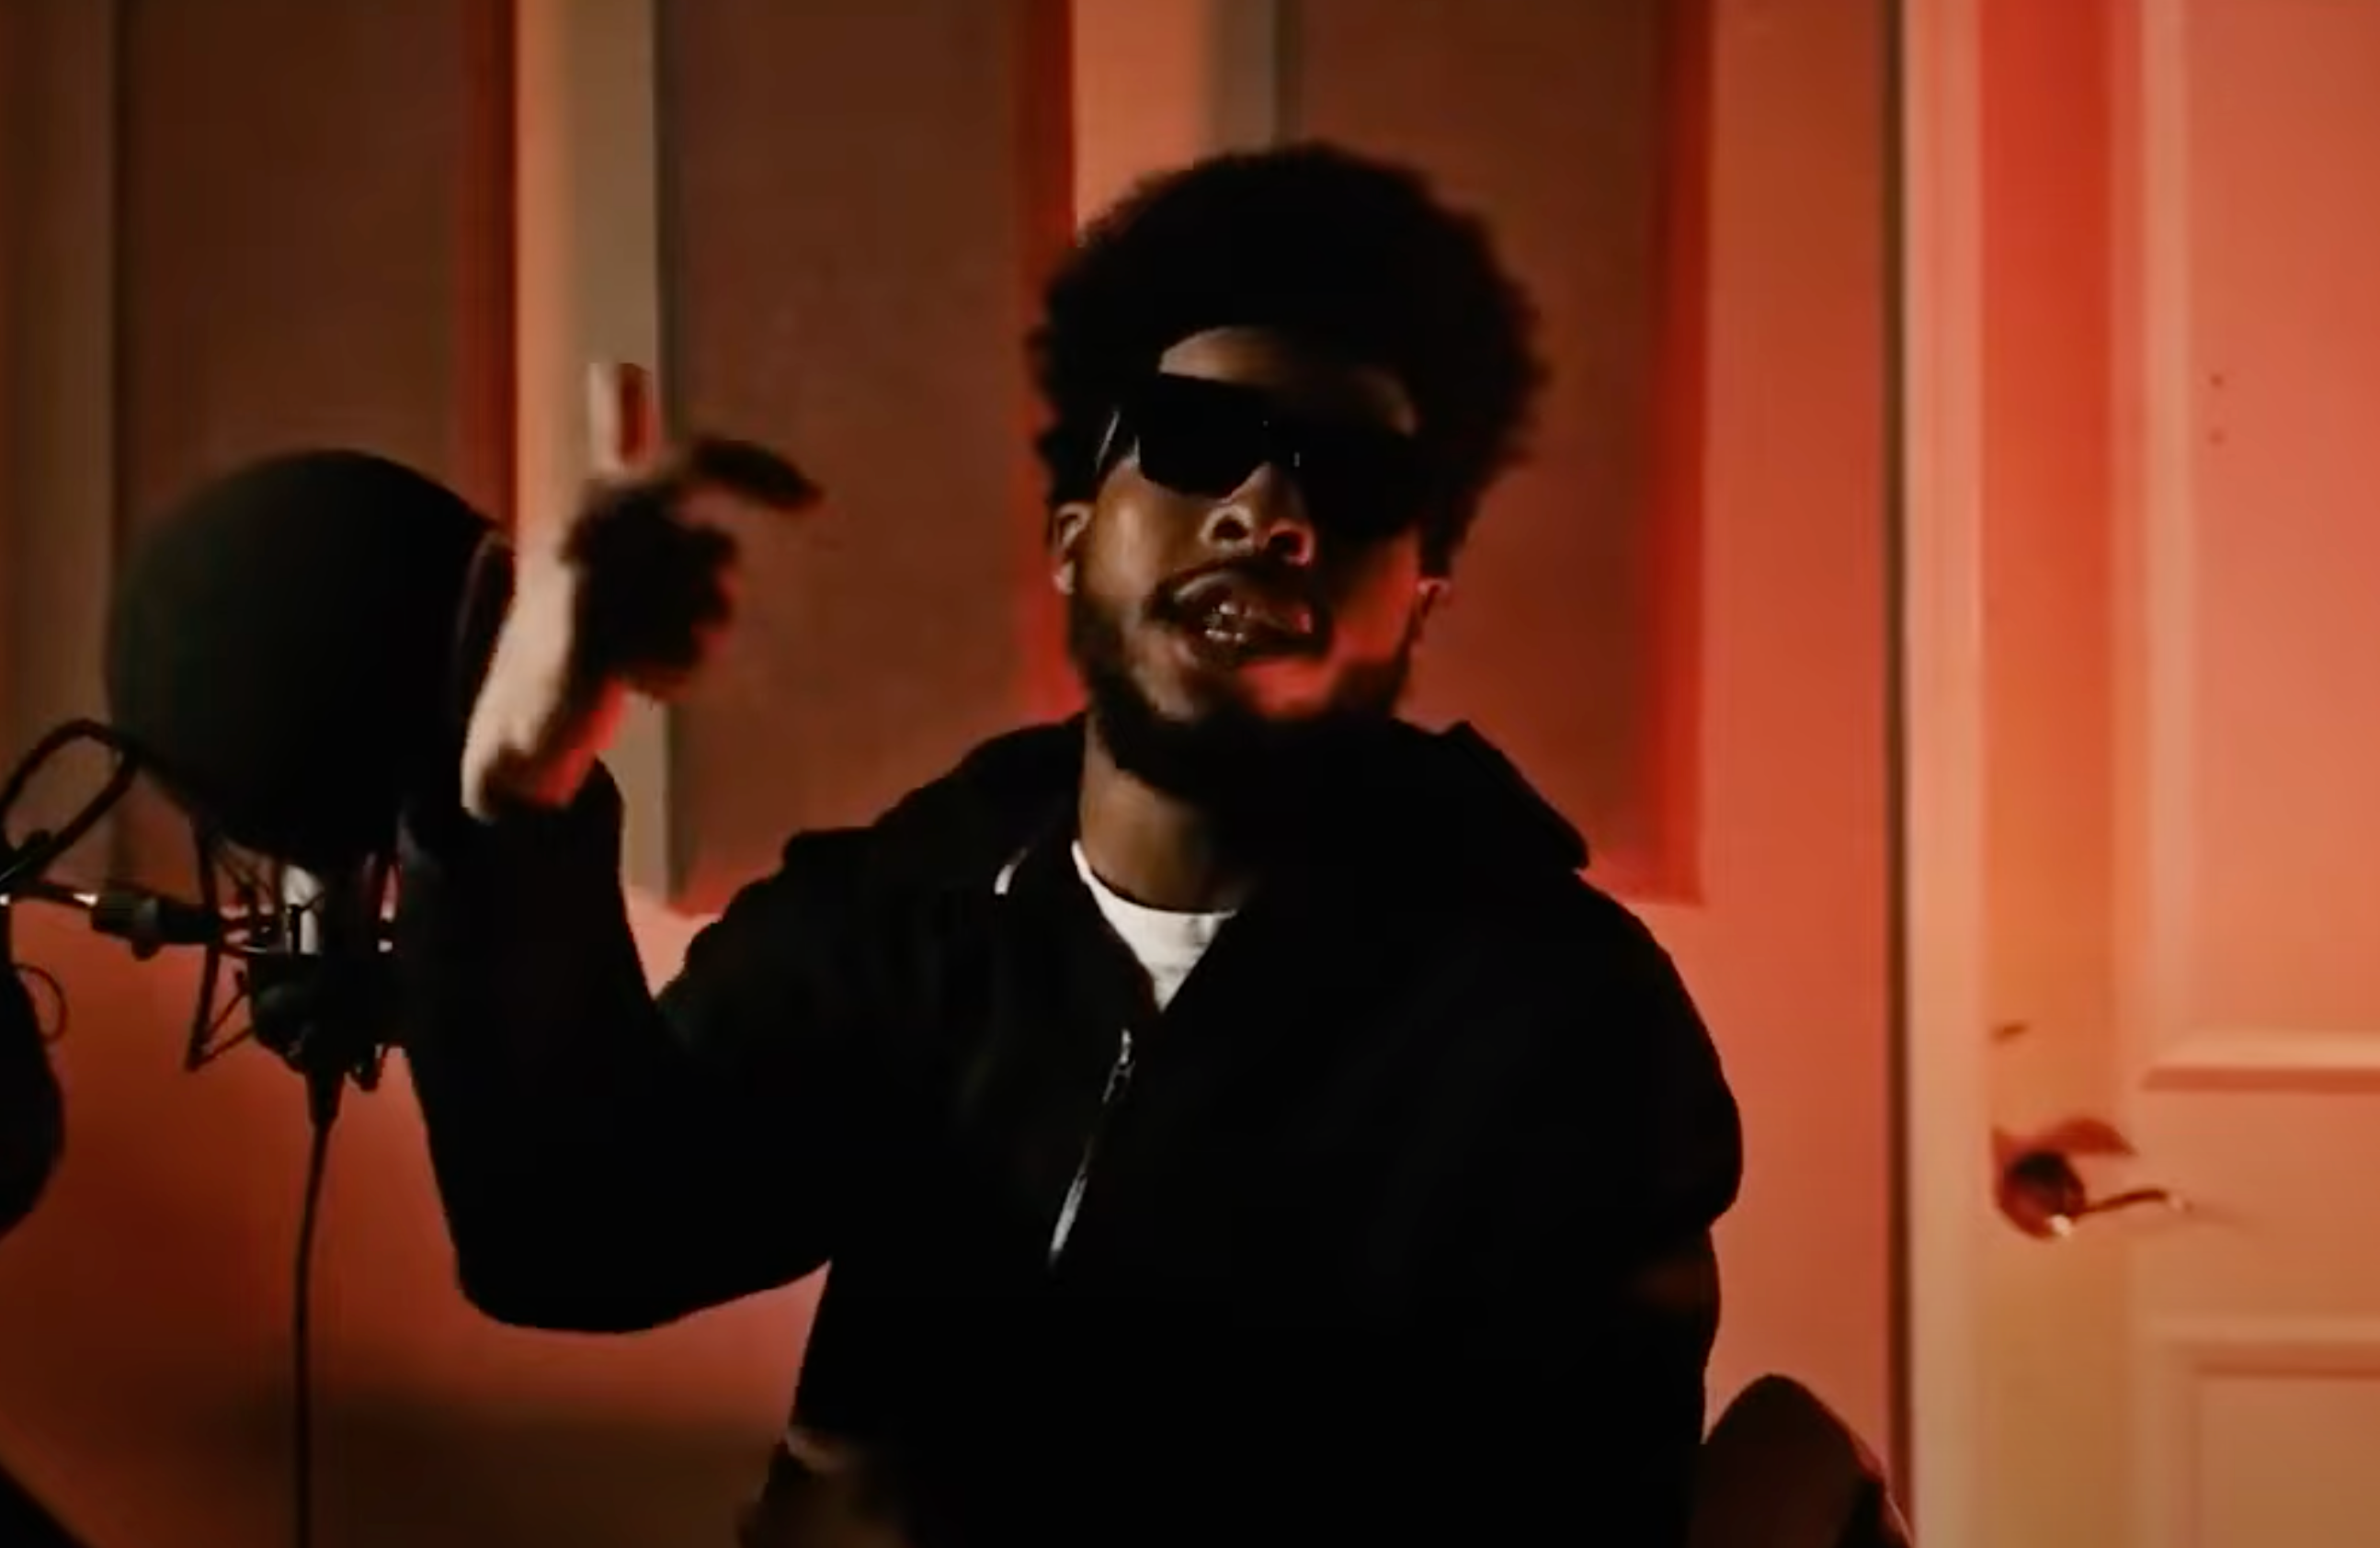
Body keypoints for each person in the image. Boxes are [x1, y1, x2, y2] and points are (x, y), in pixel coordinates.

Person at [398, 142, 1743, 1547]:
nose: (1268, 514)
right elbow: (567, 1235)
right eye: (1198, 440)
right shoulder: (913, 915)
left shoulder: (1567, 1026)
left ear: (1420, 602)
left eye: (1350, 480)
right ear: (1071, 539)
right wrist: (517, 788)